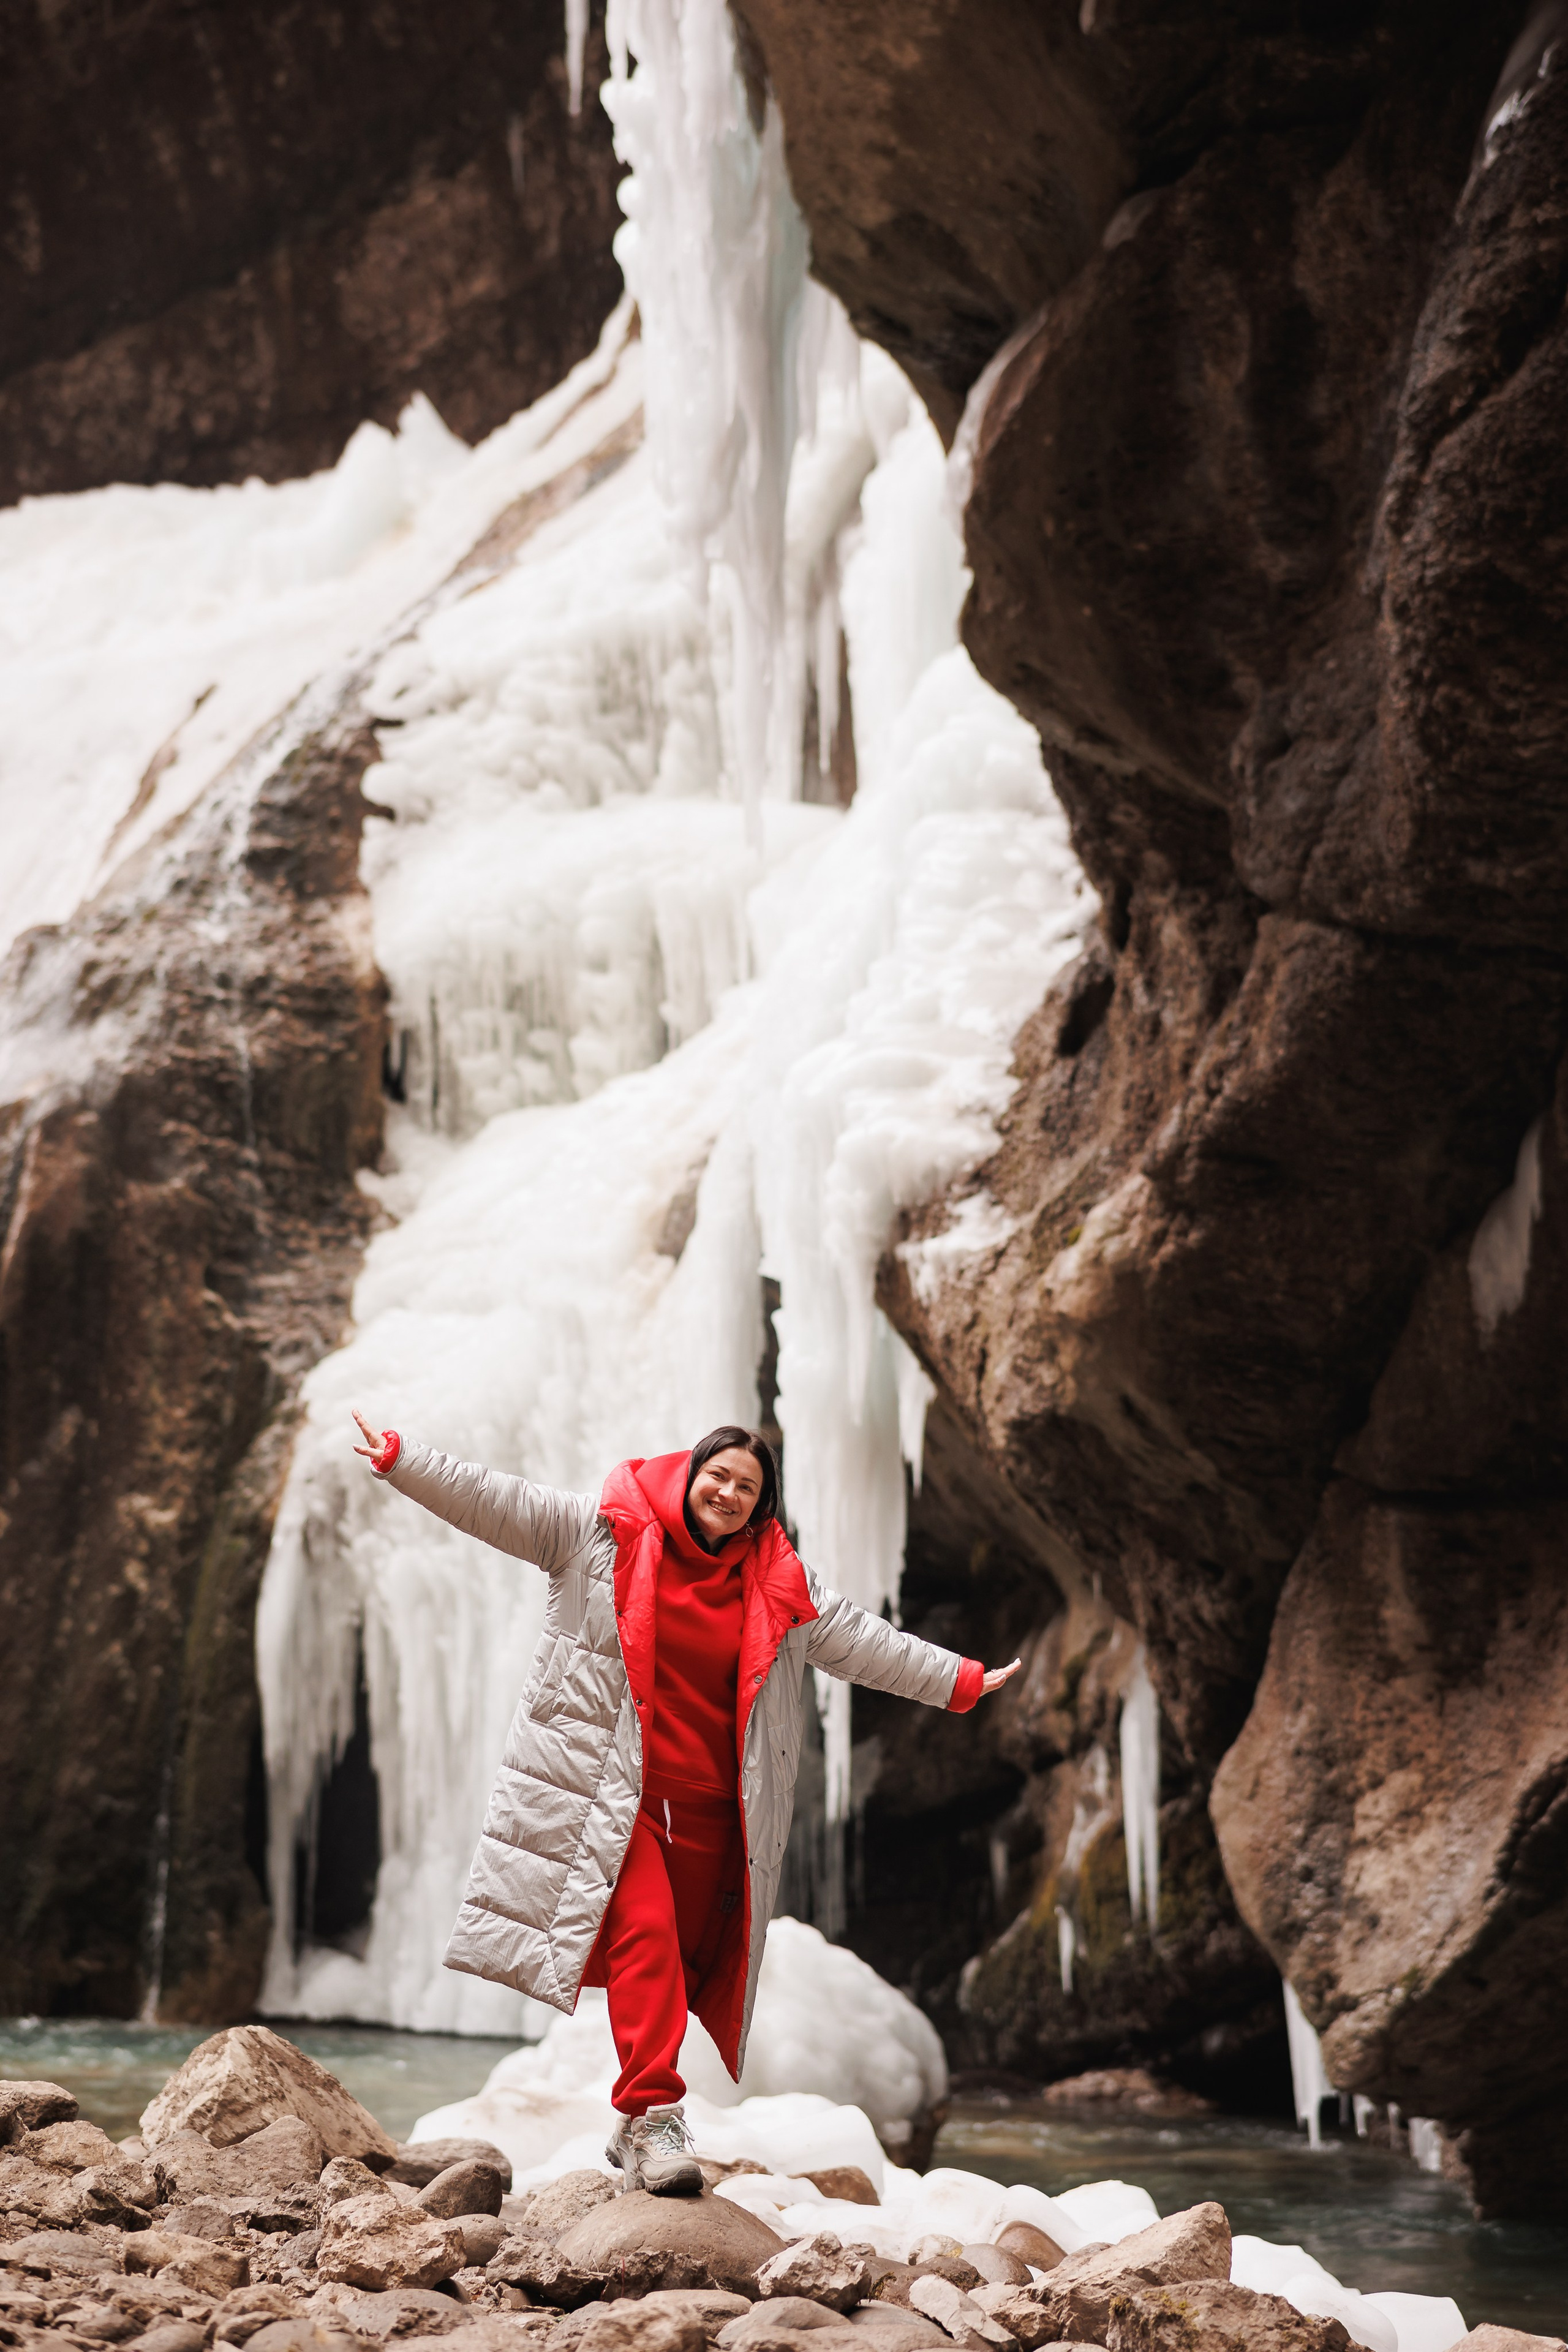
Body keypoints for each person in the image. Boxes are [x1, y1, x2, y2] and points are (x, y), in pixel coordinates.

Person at [352, 1411, 1020, 2196]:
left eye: (748, 1487)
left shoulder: (782, 1588)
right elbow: (499, 1502)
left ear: (762, 1507)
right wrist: (404, 1460)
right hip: (617, 1800)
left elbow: (867, 1643)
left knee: (679, 1964)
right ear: (689, 1473)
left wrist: (962, 1681)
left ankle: (635, 2124)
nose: (729, 1493)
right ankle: (657, 2113)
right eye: (720, 1476)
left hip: (714, 1816)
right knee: (648, 1938)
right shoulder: (600, 1533)